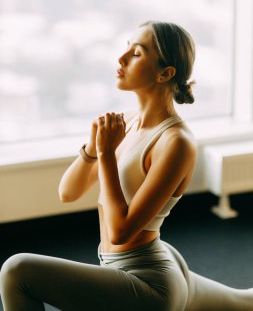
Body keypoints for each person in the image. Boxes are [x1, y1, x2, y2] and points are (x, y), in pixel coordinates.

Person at [0, 21, 252, 311]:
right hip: (142, 263)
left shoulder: (176, 142)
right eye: (127, 48)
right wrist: (92, 149)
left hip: (148, 283)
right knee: (246, 301)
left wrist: (108, 154)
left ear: (165, 73)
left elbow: (121, 231)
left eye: (137, 53)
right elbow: (68, 192)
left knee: (16, 271)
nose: (121, 59)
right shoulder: (128, 123)